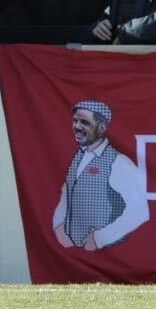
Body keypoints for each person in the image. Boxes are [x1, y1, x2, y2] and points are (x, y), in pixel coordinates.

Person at [53, 100, 147, 250]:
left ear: (102, 128)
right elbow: (66, 195)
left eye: (84, 122)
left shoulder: (119, 162)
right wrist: (58, 227)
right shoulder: (78, 157)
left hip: (109, 255)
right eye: (75, 120)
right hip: (75, 256)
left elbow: (140, 211)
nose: (77, 126)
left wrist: (99, 239)